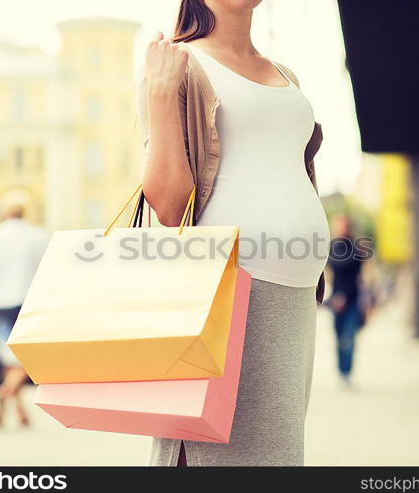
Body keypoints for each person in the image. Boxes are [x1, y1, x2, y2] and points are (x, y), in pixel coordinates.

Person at [139, 0, 329, 466]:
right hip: (230, 287)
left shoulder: (284, 73)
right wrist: (161, 95)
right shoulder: (177, 62)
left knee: (273, 455)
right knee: (220, 451)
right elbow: (166, 206)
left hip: (296, 292)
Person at [0, 192, 48, 428]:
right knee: (28, 358)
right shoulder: (38, 235)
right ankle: (8, 395)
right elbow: (45, 272)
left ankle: (15, 407)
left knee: (9, 359)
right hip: (29, 302)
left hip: (1, 303)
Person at [328, 214, 364, 386]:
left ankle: (347, 373)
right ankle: (341, 371)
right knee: (338, 337)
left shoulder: (356, 249)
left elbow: (350, 274)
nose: (338, 229)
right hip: (335, 300)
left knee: (348, 338)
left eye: (341, 225)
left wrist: (343, 296)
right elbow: (333, 267)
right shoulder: (333, 247)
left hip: (351, 301)